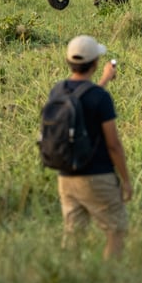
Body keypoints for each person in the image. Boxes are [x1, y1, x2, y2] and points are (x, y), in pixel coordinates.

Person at [55, 35, 132, 259]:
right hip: (96, 176)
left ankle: (70, 274)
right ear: (96, 63)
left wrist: (105, 80)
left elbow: (83, 102)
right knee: (116, 229)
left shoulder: (58, 91)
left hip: (66, 177)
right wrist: (126, 180)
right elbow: (113, 145)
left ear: (68, 61)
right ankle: (109, 274)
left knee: (73, 235)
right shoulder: (101, 98)